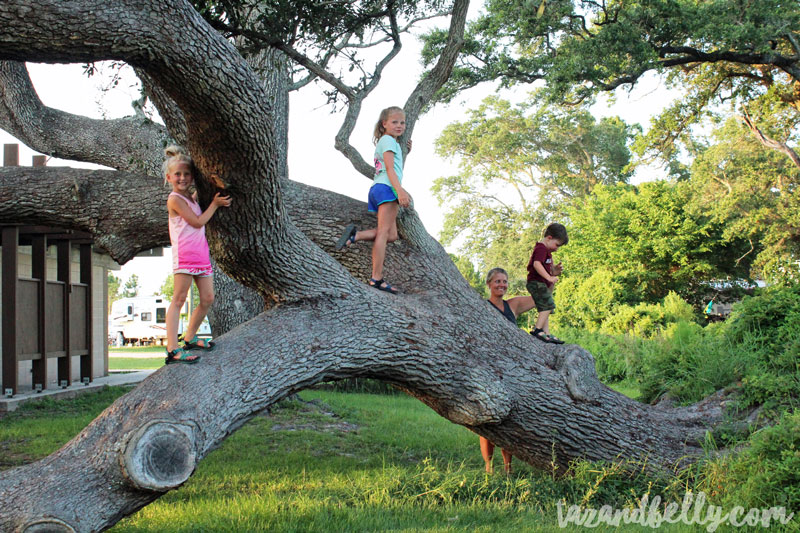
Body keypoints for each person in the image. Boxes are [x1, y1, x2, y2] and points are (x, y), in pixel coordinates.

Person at [163, 145, 232, 364]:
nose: (182, 178)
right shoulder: (174, 200)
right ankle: (173, 348)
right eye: (177, 175)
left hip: (201, 255)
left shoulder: (192, 199)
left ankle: (190, 337)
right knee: (179, 299)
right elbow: (197, 221)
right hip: (184, 255)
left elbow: (197, 212)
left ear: (192, 177)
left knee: (208, 298)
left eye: (186, 174)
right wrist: (215, 204)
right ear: (169, 177)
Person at [336, 106, 412, 294]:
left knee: (392, 235)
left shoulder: (389, 142)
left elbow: (394, 164)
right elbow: (390, 169)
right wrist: (400, 190)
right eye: (394, 122)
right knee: (384, 233)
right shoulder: (387, 140)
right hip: (387, 187)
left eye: (402, 122)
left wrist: (406, 151)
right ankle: (376, 278)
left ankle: (356, 236)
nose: (399, 125)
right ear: (384, 124)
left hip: (381, 187)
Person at [481, 267, 535, 474]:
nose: (501, 285)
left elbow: (541, 297)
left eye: (504, 282)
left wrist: (549, 275)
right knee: (486, 418)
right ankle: (488, 467)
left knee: (508, 419)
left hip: (511, 368)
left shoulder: (512, 305)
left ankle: (508, 467)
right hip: (489, 367)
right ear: (489, 284)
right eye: (497, 282)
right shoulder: (481, 307)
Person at [526, 223, 568, 344]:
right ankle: (537, 330)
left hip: (541, 283)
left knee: (546, 308)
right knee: (548, 306)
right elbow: (536, 264)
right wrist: (549, 278)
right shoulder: (541, 248)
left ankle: (547, 333)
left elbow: (548, 270)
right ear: (549, 238)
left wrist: (554, 271)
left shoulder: (548, 252)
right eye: (557, 244)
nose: (557, 248)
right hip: (535, 282)